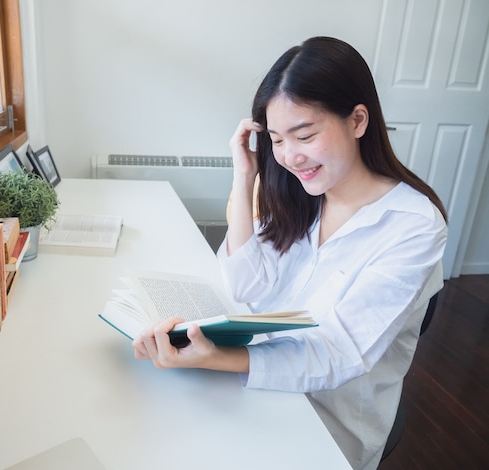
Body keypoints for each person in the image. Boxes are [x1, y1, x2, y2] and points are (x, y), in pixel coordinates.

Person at [132, 36, 448, 469]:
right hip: (253, 386)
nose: (289, 157)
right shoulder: (300, 194)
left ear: (357, 120)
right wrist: (244, 175)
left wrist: (221, 358)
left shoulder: (412, 225)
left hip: (326, 422)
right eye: (277, 140)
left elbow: (340, 351)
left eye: (304, 135)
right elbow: (243, 283)